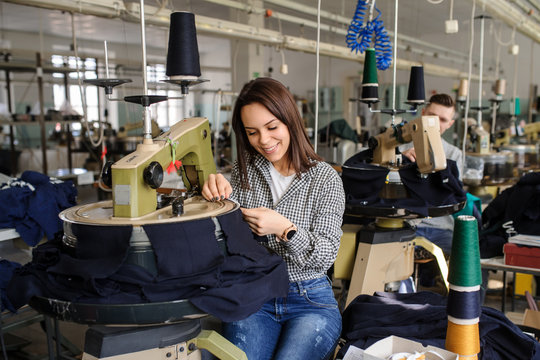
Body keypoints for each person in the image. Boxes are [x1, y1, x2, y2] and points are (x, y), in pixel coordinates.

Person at [202, 77, 345, 360]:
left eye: (272, 127)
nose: (264, 141)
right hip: (256, 294)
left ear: (290, 121)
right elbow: (229, 238)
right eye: (252, 132)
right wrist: (212, 199)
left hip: (310, 299)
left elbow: (326, 256)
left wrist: (285, 229)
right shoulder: (246, 171)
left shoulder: (325, 178)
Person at [401, 93, 463, 257]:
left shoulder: (454, 154)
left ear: (450, 124)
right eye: (432, 116)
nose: (436, 123)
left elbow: (452, 194)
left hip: (441, 227)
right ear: (423, 113)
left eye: (442, 120)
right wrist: (400, 161)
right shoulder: (401, 150)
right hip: (407, 225)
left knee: (467, 257)